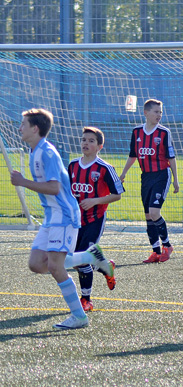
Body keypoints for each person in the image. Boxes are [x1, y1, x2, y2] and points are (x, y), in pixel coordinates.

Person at [10, 109, 114, 330]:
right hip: (52, 216)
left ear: (35, 128)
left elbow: (54, 188)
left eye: (23, 124)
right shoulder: (34, 150)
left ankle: (79, 316)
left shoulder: (47, 153)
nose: (20, 128)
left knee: (56, 267)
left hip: (64, 215)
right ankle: (89, 256)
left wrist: (22, 182)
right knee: (37, 264)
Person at [68, 126, 124, 311]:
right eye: (84, 139)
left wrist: (94, 201)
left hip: (95, 218)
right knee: (76, 260)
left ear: (100, 146)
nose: (86, 143)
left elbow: (117, 195)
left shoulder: (106, 168)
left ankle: (86, 300)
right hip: (75, 221)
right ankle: (106, 267)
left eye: (91, 141)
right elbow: (69, 191)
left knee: (82, 260)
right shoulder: (73, 165)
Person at [120, 99, 179, 263]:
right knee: (148, 215)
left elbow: (171, 158)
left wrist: (176, 179)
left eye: (161, 112)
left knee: (154, 212)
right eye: (156, 112)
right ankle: (155, 252)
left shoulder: (164, 133)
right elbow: (133, 155)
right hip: (145, 176)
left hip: (161, 175)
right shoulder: (137, 132)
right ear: (146, 113)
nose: (159, 115)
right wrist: (123, 173)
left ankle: (167, 246)